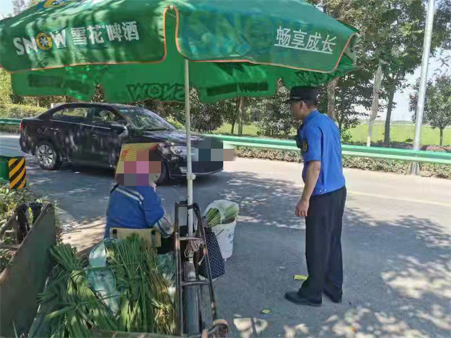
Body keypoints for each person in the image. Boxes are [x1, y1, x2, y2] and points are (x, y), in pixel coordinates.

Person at [284, 86, 347, 307]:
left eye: (292, 104)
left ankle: (312, 294)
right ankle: (333, 287)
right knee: (332, 241)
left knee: (316, 245)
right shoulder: (328, 122)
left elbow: (315, 167)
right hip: (338, 190)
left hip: (321, 194)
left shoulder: (311, 127)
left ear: (302, 104)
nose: (291, 109)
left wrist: (305, 199)